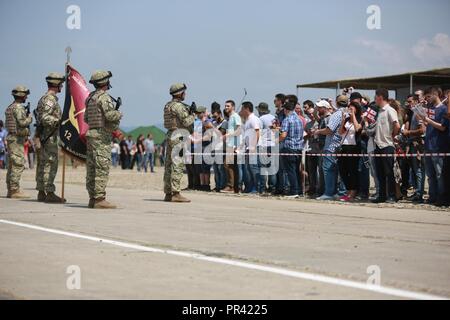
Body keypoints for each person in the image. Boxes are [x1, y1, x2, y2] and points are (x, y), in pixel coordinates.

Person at [84, 70, 122, 209]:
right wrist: (118, 113)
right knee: (101, 167)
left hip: (91, 134)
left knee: (92, 168)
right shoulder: (104, 97)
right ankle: (99, 199)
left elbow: (86, 118)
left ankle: (92, 198)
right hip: (101, 136)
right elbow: (110, 116)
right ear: (105, 82)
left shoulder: (89, 98)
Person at [35, 72, 66, 203]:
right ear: (56, 84)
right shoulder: (49, 100)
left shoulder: (44, 99)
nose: (62, 87)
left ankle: (42, 192)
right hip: (49, 136)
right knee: (50, 163)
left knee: (43, 164)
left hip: (46, 135)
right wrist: (59, 120)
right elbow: (44, 117)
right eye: (61, 84)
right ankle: (49, 192)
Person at [163, 83, 195, 202]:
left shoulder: (168, 105)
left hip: (170, 134)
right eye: (184, 92)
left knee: (168, 165)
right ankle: (176, 193)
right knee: (177, 165)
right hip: (179, 136)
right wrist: (192, 114)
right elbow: (186, 122)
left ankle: (168, 193)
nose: (185, 94)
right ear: (180, 93)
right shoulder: (179, 107)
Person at [313, 94, 348, 200]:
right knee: (340, 171)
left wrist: (318, 131)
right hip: (341, 145)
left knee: (328, 170)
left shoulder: (337, 114)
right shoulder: (346, 112)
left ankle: (329, 193)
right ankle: (341, 192)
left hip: (332, 146)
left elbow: (330, 130)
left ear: (337, 102)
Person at [419, 87, 449, 206]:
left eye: (429, 96)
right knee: (430, 175)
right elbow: (429, 125)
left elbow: (442, 127)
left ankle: (441, 197)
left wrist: (428, 121)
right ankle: (433, 196)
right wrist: (423, 119)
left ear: (436, 94)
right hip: (428, 145)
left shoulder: (444, 109)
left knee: (439, 174)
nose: (427, 99)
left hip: (438, 146)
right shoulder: (430, 109)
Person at [371, 88, 400, 204]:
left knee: (389, 172)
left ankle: (392, 195)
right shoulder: (379, 111)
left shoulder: (390, 110)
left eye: (375, 97)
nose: (374, 99)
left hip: (387, 145)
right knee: (380, 173)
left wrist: (392, 136)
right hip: (378, 145)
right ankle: (382, 195)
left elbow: (397, 125)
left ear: (380, 97)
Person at [4, 86, 33, 198]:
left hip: (12, 138)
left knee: (12, 165)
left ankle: (10, 189)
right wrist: (29, 118)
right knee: (18, 164)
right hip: (16, 139)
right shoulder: (18, 107)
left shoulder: (10, 107)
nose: (26, 96)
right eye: (25, 94)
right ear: (21, 95)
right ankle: (14, 190)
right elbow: (22, 122)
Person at [402, 94, 426, 203]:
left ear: (416, 101)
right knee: (415, 170)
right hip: (412, 143)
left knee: (418, 170)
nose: (408, 104)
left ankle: (419, 193)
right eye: (407, 102)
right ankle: (417, 192)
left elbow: (422, 130)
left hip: (417, 144)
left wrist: (409, 132)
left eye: (410, 101)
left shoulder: (419, 112)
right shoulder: (412, 113)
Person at [337, 102, 363, 202]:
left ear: (356, 109)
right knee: (343, 170)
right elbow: (340, 132)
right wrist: (343, 119)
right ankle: (348, 191)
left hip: (354, 147)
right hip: (344, 147)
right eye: (349, 108)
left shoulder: (360, 119)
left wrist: (353, 116)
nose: (350, 109)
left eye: (352, 108)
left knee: (352, 171)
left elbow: (357, 129)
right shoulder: (347, 119)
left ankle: (353, 192)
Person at [279, 101, 304, 198]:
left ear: (286, 109)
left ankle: (294, 191)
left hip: (289, 148)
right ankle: (299, 190)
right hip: (298, 148)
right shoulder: (299, 119)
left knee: (290, 170)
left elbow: (284, 135)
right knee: (296, 170)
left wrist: (277, 140)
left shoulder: (287, 119)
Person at [240, 101, 260, 193]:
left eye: (242, 109)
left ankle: (256, 188)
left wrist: (253, 146)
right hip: (248, 148)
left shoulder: (253, 119)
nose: (241, 110)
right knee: (248, 169)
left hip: (253, 148)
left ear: (247, 109)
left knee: (253, 168)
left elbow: (257, 132)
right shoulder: (247, 120)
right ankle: (250, 187)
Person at [257, 102, 277, 194]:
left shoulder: (261, 119)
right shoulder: (273, 118)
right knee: (272, 168)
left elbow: (258, 132)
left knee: (263, 168)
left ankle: (263, 188)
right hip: (273, 144)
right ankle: (272, 188)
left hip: (264, 145)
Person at [222, 100, 242, 193]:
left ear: (233, 107)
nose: (226, 108)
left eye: (228, 106)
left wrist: (229, 136)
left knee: (228, 164)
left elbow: (239, 130)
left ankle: (231, 186)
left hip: (234, 145)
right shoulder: (230, 117)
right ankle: (234, 187)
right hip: (230, 144)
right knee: (231, 166)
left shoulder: (235, 116)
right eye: (225, 106)